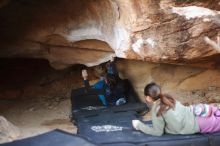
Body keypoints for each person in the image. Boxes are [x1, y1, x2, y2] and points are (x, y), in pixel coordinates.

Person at [132, 82, 220, 136]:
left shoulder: (156, 110)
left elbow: (158, 132)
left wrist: (139, 125)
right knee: (216, 112)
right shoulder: (168, 97)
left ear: (148, 98)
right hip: (199, 111)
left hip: (198, 123)